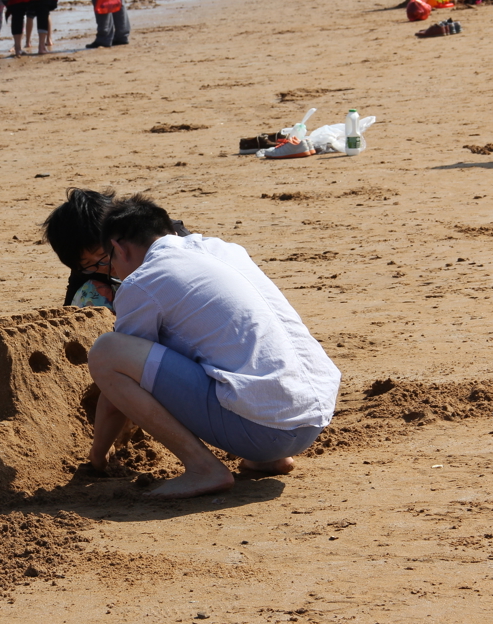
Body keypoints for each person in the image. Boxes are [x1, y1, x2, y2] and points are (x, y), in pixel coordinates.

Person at [84, 196, 341, 499]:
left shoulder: (143, 280)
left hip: (262, 432)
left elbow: (116, 377)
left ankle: (202, 468)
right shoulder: (224, 249)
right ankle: (269, 459)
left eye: (111, 263)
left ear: (119, 247)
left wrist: (97, 457)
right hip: (313, 419)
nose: (117, 272)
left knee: (107, 351)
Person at [42, 187, 191, 310]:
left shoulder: (166, 239)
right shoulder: (89, 266)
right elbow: (70, 313)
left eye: (104, 254)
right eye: (87, 265)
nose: (103, 266)